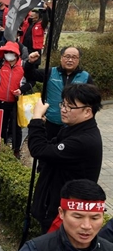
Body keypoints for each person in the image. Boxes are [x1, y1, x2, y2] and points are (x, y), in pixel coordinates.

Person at [28, 84, 103, 233]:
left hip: (65, 214)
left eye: (70, 107)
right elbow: (49, 147)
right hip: (57, 205)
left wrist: (36, 119)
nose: (63, 109)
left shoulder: (83, 141)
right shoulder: (74, 129)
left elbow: (39, 150)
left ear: (88, 111)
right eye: (63, 104)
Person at [23, 46, 94, 139]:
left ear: (78, 60)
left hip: (74, 126)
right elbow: (30, 75)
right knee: (50, 150)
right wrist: (30, 62)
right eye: (67, 56)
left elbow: (92, 101)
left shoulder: (85, 77)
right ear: (61, 58)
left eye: (74, 57)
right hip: (51, 123)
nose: (70, 60)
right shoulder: (51, 72)